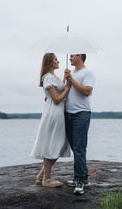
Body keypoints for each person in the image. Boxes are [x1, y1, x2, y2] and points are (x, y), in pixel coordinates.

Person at [30, 53, 71, 187]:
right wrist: (68, 88)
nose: (58, 61)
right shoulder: (48, 77)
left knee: (57, 144)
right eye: (55, 59)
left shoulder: (54, 77)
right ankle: (47, 179)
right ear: (50, 62)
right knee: (52, 144)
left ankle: (42, 175)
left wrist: (64, 79)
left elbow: (57, 92)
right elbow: (57, 99)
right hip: (54, 113)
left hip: (57, 114)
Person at [64, 53, 95, 195]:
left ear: (80, 56)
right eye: (69, 56)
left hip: (81, 113)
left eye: (73, 55)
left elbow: (87, 91)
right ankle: (83, 177)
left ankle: (80, 181)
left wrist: (71, 80)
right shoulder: (70, 73)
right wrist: (66, 79)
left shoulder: (88, 72)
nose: (70, 58)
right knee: (75, 147)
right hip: (68, 113)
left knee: (79, 148)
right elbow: (66, 91)